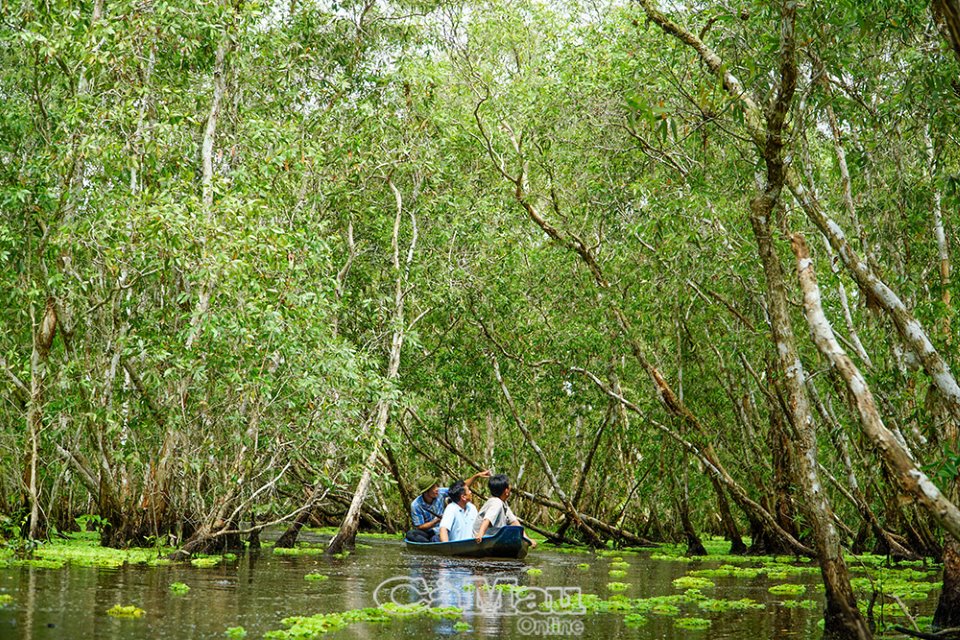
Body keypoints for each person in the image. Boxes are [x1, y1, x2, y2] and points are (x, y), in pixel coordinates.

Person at [407, 470, 490, 542]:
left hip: (443, 529)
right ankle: (430, 545)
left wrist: (476, 476)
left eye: (436, 486)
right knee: (411, 534)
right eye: (433, 488)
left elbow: (459, 489)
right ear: (426, 492)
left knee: (437, 537)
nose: (436, 489)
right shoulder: (416, 505)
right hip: (429, 531)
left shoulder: (440, 492)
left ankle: (437, 541)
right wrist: (435, 521)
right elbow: (420, 526)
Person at [473, 473, 537, 547]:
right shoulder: (496, 502)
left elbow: (514, 522)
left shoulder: (503, 503)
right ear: (506, 491)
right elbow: (487, 519)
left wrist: (527, 539)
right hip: (483, 539)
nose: (511, 487)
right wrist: (480, 534)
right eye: (509, 485)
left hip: (494, 539)